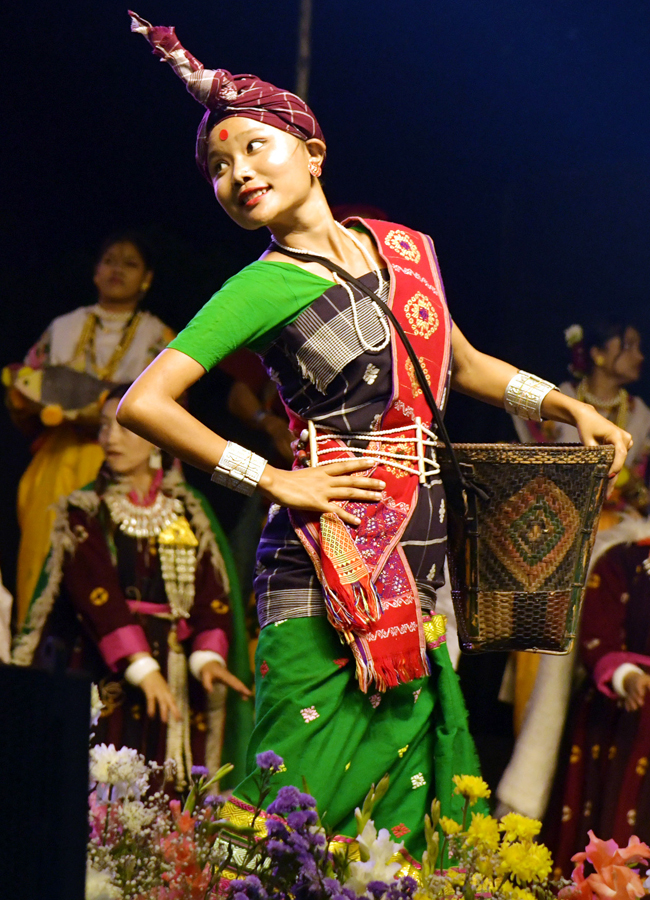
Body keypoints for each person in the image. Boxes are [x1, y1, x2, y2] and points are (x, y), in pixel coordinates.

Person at [119, 12, 631, 863]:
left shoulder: (402, 249)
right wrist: (272, 479)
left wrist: (560, 405)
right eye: (216, 167)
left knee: (399, 800)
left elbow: (459, 361)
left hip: (419, 549)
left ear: (311, 152)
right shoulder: (263, 287)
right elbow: (147, 401)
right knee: (297, 795)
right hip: (326, 558)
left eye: (254, 148)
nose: (236, 172)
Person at [12, 386, 252, 790]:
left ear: (158, 433)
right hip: (106, 671)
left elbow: (212, 591)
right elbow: (96, 595)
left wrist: (208, 658)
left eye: (124, 428)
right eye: (104, 428)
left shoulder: (190, 510)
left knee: (168, 791)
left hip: (177, 674)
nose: (110, 439)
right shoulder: (85, 510)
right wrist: (142, 668)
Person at [497, 320, 650, 818]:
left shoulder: (641, 415)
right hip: (556, 536)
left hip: (616, 536)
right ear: (599, 355)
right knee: (545, 654)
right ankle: (523, 798)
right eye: (628, 345)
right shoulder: (558, 402)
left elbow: (637, 491)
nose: (639, 355)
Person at [4, 233, 175, 624]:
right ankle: (34, 661)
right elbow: (25, 396)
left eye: (130, 264)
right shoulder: (62, 327)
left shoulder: (161, 337)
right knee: (42, 563)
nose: (117, 270)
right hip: (59, 463)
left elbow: (174, 409)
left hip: (128, 468)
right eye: (109, 261)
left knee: (116, 569)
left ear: (146, 279)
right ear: (96, 273)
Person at [542, 519, 650, 875]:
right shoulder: (625, 561)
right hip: (625, 724)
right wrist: (626, 676)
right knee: (612, 842)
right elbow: (596, 634)